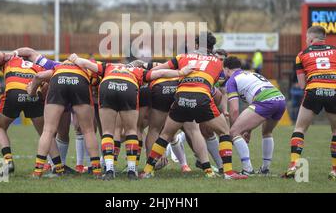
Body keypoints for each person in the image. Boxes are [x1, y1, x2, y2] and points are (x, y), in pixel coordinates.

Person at [68, 53, 194, 180]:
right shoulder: (139, 71)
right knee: (132, 131)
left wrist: (75, 59)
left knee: (107, 132)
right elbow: (160, 73)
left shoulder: (109, 66)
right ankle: (132, 170)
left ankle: (110, 169)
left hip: (108, 85)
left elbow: (87, 64)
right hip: (129, 87)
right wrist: (180, 72)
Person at [140, 32, 247, 180]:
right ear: (212, 47)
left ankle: (147, 171)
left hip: (181, 97)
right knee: (224, 132)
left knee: (165, 134)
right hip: (202, 97)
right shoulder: (217, 62)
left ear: (196, 45)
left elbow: (157, 70)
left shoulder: (183, 57)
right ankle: (227, 172)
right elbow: (219, 85)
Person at [282, 26, 336, 180]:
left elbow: (301, 85)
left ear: (311, 39)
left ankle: (293, 165)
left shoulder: (302, 55)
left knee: (300, 128)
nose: (306, 41)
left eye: (307, 39)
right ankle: (335, 170)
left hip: (314, 89)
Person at [0, 51, 59, 175]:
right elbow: (46, 85)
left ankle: (8, 161)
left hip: (14, 91)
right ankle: (59, 167)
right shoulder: (37, 66)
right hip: (33, 93)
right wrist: (42, 98)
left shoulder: (9, 59)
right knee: (47, 133)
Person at [27, 58, 102, 178]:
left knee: (48, 130)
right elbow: (98, 83)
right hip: (80, 80)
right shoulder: (86, 68)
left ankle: (37, 171)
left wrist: (32, 92)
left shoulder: (58, 67)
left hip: (59, 80)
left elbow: (38, 76)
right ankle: (97, 171)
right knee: (88, 131)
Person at [223, 56, 286, 176]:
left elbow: (234, 110)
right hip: (280, 99)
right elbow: (252, 110)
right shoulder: (250, 73)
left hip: (265, 100)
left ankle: (247, 169)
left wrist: (235, 130)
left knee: (234, 132)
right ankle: (265, 169)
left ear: (226, 69)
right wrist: (247, 130)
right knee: (267, 132)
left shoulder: (232, 80)